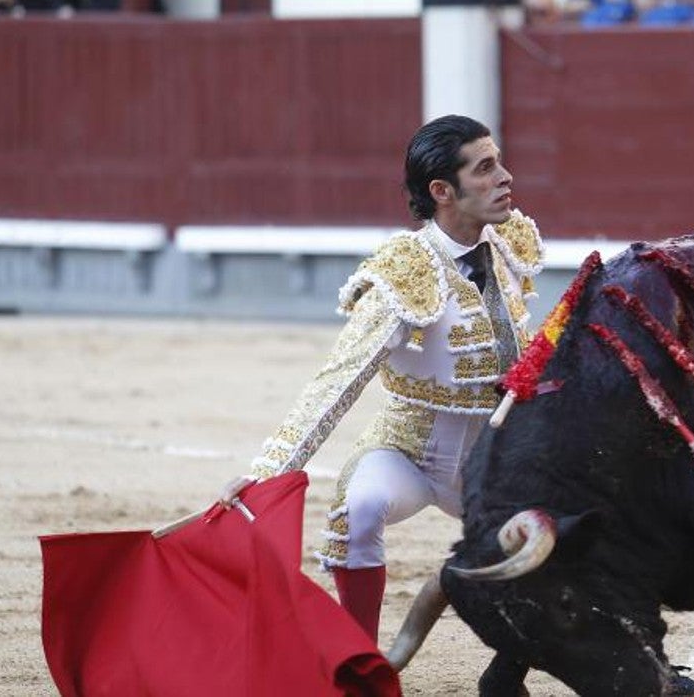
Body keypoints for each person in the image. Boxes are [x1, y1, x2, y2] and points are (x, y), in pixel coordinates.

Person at [218, 114, 543, 640]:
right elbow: (339, 378)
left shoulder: (509, 244)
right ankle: (359, 656)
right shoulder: (403, 274)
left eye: (499, 161)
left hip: (494, 461)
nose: (505, 177)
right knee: (361, 507)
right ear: (442, 191)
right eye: (486, 168)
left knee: (578, 525)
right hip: (409, 454)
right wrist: (267, 473)